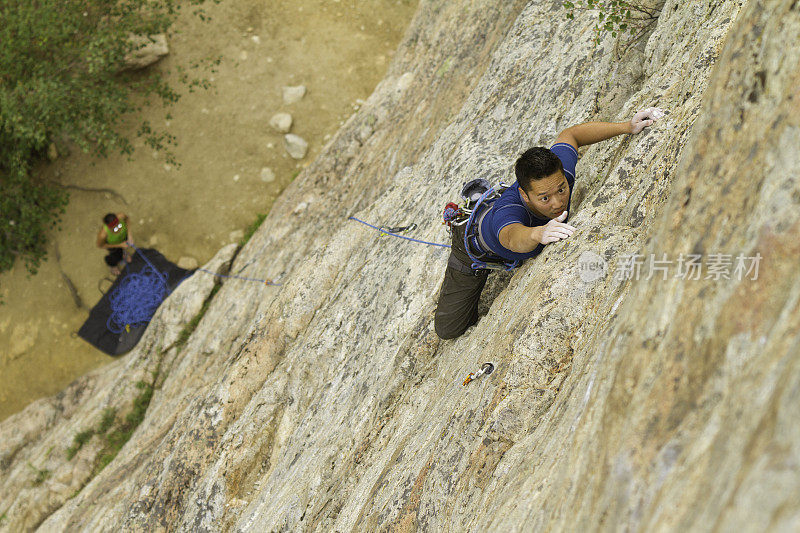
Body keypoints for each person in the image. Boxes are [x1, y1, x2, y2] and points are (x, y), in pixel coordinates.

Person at [434, 107, 666, 339]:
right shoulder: (509, 210)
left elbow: (571, 135)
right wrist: (538, 234)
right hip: (473, 246)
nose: (557, 202)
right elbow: (511, 237)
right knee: (449, 330)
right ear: (525, 195)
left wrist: (627, 127)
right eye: (545, 198)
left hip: (505, 223)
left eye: (562, 189)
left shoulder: (557, 175)